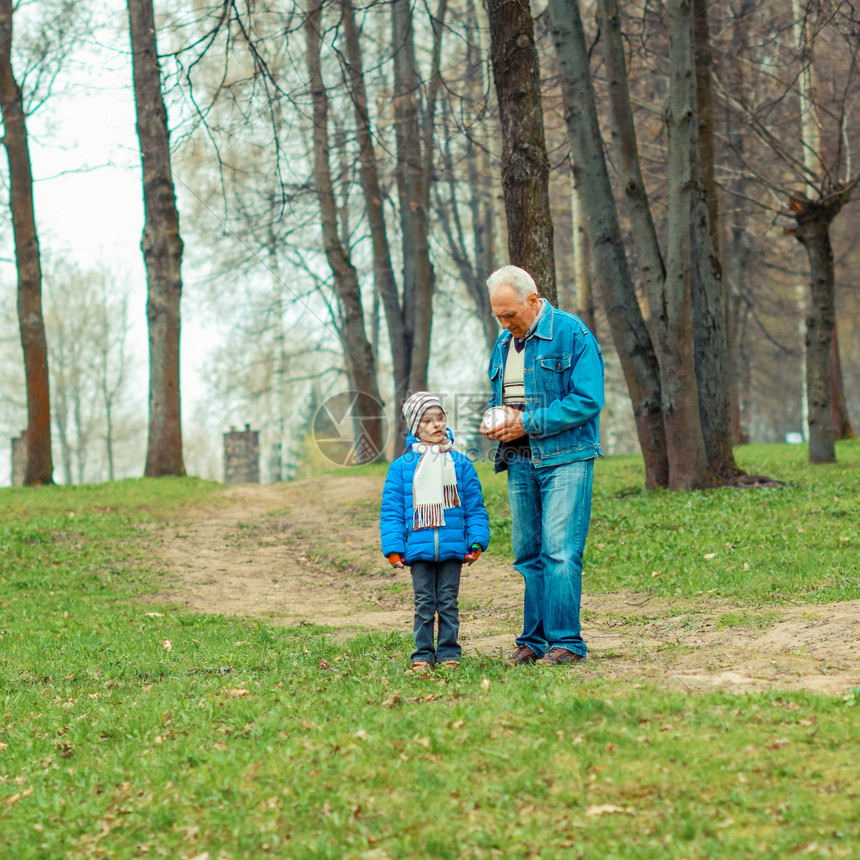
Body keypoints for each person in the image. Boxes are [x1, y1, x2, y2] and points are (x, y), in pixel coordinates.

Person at [480, 265, 604, 666]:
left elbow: (586, 400)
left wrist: (526, 423)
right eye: (498, 315)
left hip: (565, 457)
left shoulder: (572, 333)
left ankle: (566, 642)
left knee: (560, 551)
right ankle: (533, 642)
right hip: (519, 459)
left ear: (533, 300)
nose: (503, 322)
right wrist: (495, 420)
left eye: (509, 313)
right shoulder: (503, 343)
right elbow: (508, 397)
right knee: (528, 552)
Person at [380, 392, 490, 673]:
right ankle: (423, 655)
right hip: (418, 548)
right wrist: (394, 548)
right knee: (424, 603)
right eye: (427, 421)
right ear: (415, 428)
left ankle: (450, 652)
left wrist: (477, 541)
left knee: (448, 603)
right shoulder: (401, 468)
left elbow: (475, 507)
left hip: (454, 547)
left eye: (440, 418)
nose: (436, 425)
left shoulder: (461, 464)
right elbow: (392, 512)